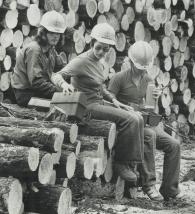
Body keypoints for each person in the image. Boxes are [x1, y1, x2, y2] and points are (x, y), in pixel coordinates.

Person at [51, 23, 144, 182]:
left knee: (138, 117)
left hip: (98, 102)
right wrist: (64, 84)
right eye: (98, 47)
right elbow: (57, 75)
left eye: (106, 49)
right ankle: (121, 164)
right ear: (92, 42)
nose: (101, 52)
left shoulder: (100, 62)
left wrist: (114, 101)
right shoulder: (81, 61)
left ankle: (133, 164)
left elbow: (100, 86)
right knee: (130, 119)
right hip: (86, 107)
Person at [108, 41, 181, 201]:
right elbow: (109, 102)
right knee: (149, 135)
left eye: (144, 67)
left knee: (174, 145)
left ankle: (170, 191)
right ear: (130, 61)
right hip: (128, 125)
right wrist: (129, 108)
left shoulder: (148, 79)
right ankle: (148, 184)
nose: (141, 70)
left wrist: (154, 100)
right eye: (139, 67)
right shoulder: (118, 78)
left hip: (144, 121)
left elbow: (149, 109)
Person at [11, 10, 67, 106]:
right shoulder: (34, 49)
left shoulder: (51, 49)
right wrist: (59, 90)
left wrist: (67, 83)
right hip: (25, 94)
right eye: (51, 32)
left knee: (67, 101)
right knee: (58, 106)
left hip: (38, 90)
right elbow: (36, 82)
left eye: (58, 33)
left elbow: (61, 68)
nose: (55, 36)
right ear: (43, 32)